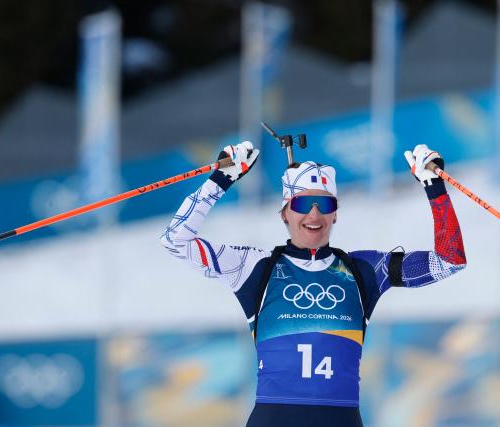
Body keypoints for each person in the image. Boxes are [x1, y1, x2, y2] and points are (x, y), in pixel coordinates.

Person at [160, 141, 467, 427]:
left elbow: (449, 261)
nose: (315, 214)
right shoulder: (254, 267)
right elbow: (176, 240)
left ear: (335, 215)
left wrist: (434, 188)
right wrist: (221, 179)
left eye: (325, 204)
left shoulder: (363, 269)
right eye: (304, 203)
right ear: (285, 212)